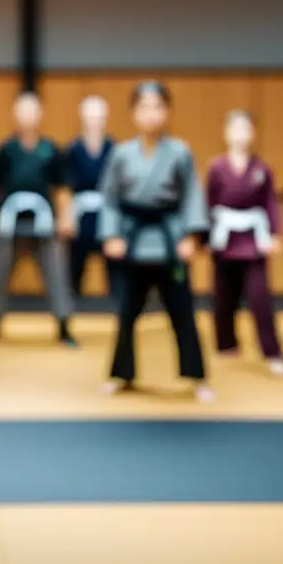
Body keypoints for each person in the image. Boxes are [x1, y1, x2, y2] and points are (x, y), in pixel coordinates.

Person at [98, 81, 214, 400]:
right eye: (144, 107)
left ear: (167, 112)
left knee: (183, 312)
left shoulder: (180, 152)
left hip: (170, 240)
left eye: (157, 107)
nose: (151, 114)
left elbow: (192, 194)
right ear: (134, 113)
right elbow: (109, 198)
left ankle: (197, 376)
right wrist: (111, 235)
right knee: (126, 313)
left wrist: (192, 237)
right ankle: (122, 374)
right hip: (134, 240)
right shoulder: (121, 154)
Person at [0, 92, 78, 346]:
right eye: (22, 111)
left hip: (44, 227)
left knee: (56, 274)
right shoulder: (5, 151)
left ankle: (63, 326)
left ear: (40, 115)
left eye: (32, 111)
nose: (27, 116)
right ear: (15, 115)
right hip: (9, 226)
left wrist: (65, 219)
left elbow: (62, 188)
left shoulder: (51, 150)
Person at [206, 111, 283, 377]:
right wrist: (204, 235)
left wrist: (275, 234)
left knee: (259, 297)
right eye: (235, 129)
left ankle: (272, 351)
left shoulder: (262, 170)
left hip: (253, 240)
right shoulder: (216, 168)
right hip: (224, 237)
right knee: (223, 297)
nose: (240, 134)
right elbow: (208, 202)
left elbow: (270, 204)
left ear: (253, 134)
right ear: (226, 133)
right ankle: (226, 343)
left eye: (246, 129)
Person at [62, 95, 116, 297]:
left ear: (106, 118)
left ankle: (115, 310)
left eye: (98, 116)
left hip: (106, 213)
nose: (94, 120)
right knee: (75, 263)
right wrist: (67, 217)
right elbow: (66, 187)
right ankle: (71, 311)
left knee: (113, 263)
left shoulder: (114, 149)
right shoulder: (73, 149)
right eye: (90, 116)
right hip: (80, 214)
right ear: (82, 118)